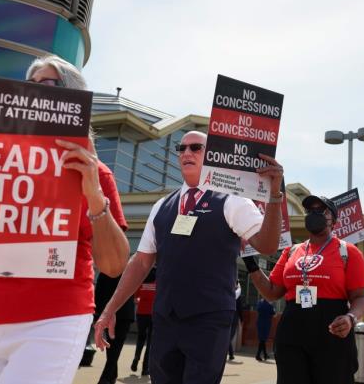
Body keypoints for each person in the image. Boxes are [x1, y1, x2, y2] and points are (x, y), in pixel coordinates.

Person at [0, 54, 130, 384]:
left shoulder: (95, 173)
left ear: (73, 97)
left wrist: (94, 197)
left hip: (53, 324)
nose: (34, 92)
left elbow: (114, 265)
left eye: (47, 84)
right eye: (29, 86)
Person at [93, 130, 284, 384]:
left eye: (195, 148)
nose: (187, 153)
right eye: (181, 149)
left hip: (209, 320)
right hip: (166, 320)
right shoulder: (162, 206)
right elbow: (140, 263)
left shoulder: (233, 200)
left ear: (212, 155)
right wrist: (110, 309)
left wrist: (274, 197)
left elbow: (268, 245)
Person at [243, 195, 364, 384]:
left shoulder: (348, 252)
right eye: (310, 211)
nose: (314, 214)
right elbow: (271, 292)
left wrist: (350, 318)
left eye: (321, 210)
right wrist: (249, 262)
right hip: (292, 332)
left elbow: (360, 297)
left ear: (333, 220)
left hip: (332, 332)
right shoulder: (291, 251)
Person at [94, 273, 135, 384]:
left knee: (113, 348)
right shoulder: (127, 271)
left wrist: (97, 314)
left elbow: (98, 294)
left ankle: (106, 379)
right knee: (113, 348)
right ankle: (111, 377)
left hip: (117, 314)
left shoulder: (106, 272)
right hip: (119, 314)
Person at [131, 268, 157, 376]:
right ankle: (145, 368)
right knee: (150, 342)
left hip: (141, 313)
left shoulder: (141, 282)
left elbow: (135, 298)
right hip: (154, 315)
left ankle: (136, 358)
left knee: (140, 338)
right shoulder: (158, 283)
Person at [254, 297, 275, 361]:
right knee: (263, 339)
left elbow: (257, 309)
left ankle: (265, 355)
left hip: (260, 323)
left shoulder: (259, 303)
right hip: (266, 324)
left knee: (262, 339)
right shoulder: (270, 305)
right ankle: (258, 355)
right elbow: (273, 313)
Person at [228, 280, 244, 361]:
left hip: (227, 316)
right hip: (234, 317)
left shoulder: (227, 291)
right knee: (229, 336)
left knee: (228, 336)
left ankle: (230, 354)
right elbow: (240, 308)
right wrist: (241, 319)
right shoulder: (237, 294)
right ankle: (230, 354)